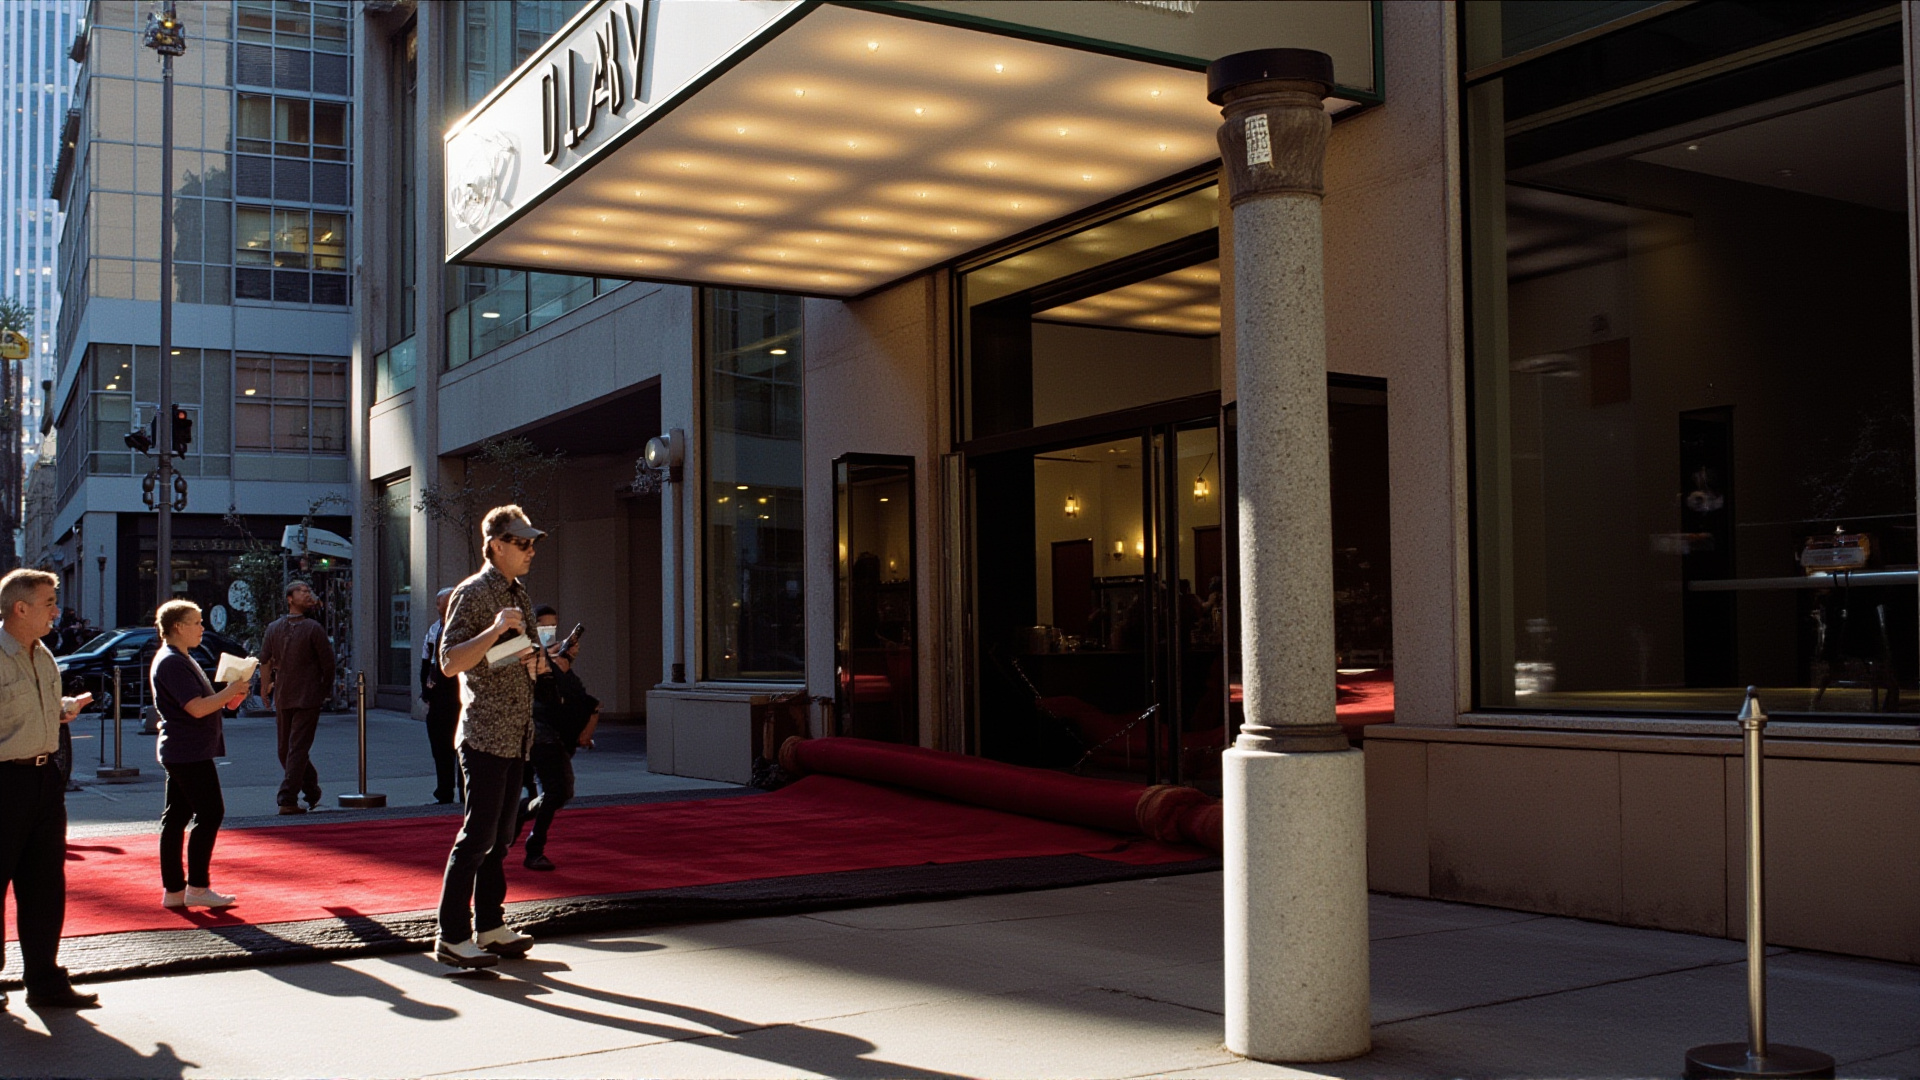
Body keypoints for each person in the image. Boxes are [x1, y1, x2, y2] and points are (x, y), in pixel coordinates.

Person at [432, 504, 548, 969]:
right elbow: (449, 662)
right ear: (496, 544)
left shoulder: (518, 593)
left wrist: (541, 661)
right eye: (522, 543)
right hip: (483, 733)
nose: (531, 550)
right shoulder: (474, 592)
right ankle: (451, 936)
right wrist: (496, 629)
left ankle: (491, 925)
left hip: (515, 732)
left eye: (532, 542)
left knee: (500, 838)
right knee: (476, 837)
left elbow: (513, 661)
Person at [0, 568, 97, 1011]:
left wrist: (62, 709)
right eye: (48, 603)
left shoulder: (43, 654)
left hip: (44, 780)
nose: (56, 611)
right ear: (20, 608)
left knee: (44, 886)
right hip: (4, 782)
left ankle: (44, 980)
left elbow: (26, 708)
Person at [150, 599, 250, 910]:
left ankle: (177, 890)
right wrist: (229, 693)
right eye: (196, 622)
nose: (202, 628)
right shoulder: (172, 661)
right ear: (178, 627)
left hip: (186, 749)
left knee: (178, 817)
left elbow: (207, 704)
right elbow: (195, 708)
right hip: (187, 751)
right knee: (209, 813)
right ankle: (195, 885)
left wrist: (232, 696)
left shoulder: (180, 658)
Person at [518, 606, 598, 872]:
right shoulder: (530, 654)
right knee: (559, 790)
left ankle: (522, 816)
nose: (549, 632)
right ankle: (534, 847)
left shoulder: (557, 659)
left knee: (559, 792)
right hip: (542, 732)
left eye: (553, 627)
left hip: (559, 734)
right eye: (543, 626)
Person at [260, 580, 336, 815]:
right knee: (286, 750)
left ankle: (287, 798)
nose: (306, 593)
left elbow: (328, 664)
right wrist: (265, 689)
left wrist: (322, 691)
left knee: (297, 748)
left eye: (308, 590)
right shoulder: (274, 628)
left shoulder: (314, 628)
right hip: (284, 695)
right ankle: (311, 790)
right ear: (289, 598)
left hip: (307, 696)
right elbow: (265, 660)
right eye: (300, 591)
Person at [420, 587, 462, 804]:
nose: (441, 607)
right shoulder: (434, 629)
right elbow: (426, 662)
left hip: (460, 695)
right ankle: (444, 790)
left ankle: (466, 792)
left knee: (463, 748)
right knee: (440, 747)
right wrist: (426, 692)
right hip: (438, 696)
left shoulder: (466, 629)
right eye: (439, 603)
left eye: (445, 603)